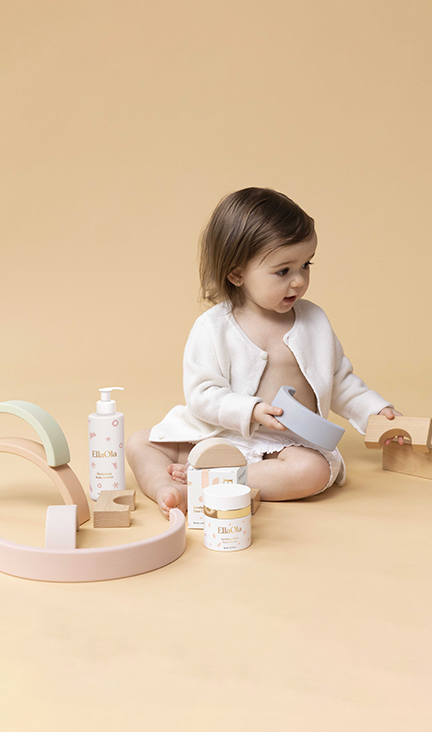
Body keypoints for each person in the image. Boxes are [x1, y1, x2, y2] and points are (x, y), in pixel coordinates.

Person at [127, 187, 400, 515]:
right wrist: (250, 410)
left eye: (306, 265)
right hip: (221, 436)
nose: (298, 281)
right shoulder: (213, 328)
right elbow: (202, 394)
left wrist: (375, 412)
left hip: (284, 448)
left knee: (312, 471)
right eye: (283, 271)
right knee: (139, 442)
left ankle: (213, 482)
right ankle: (164, 485)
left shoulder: (314, 322)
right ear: (237, 273)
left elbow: (341, 380)